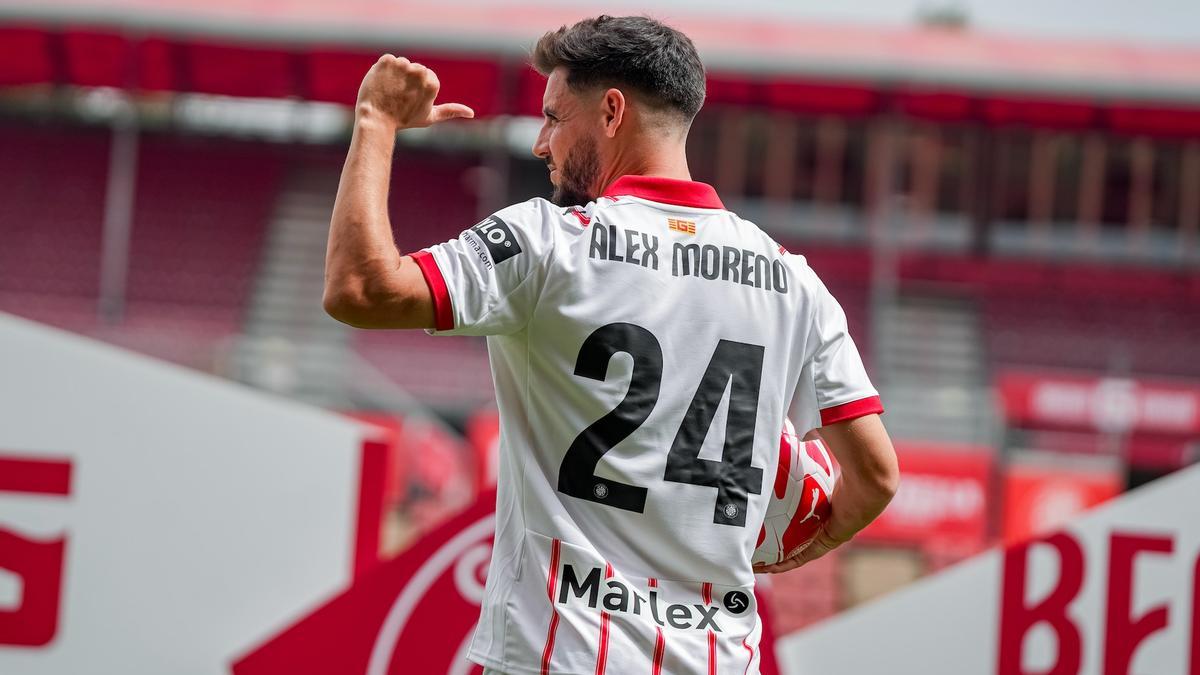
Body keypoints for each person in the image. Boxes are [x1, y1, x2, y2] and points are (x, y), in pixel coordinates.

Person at [323, 15, 899, 675]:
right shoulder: (795, 283)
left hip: (559, 655)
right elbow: (876, 477)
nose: (541, 143)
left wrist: (375, 122)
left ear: (612, 112)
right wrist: (795, 546)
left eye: (553, 117)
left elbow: (359, 290)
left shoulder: (549, 242)